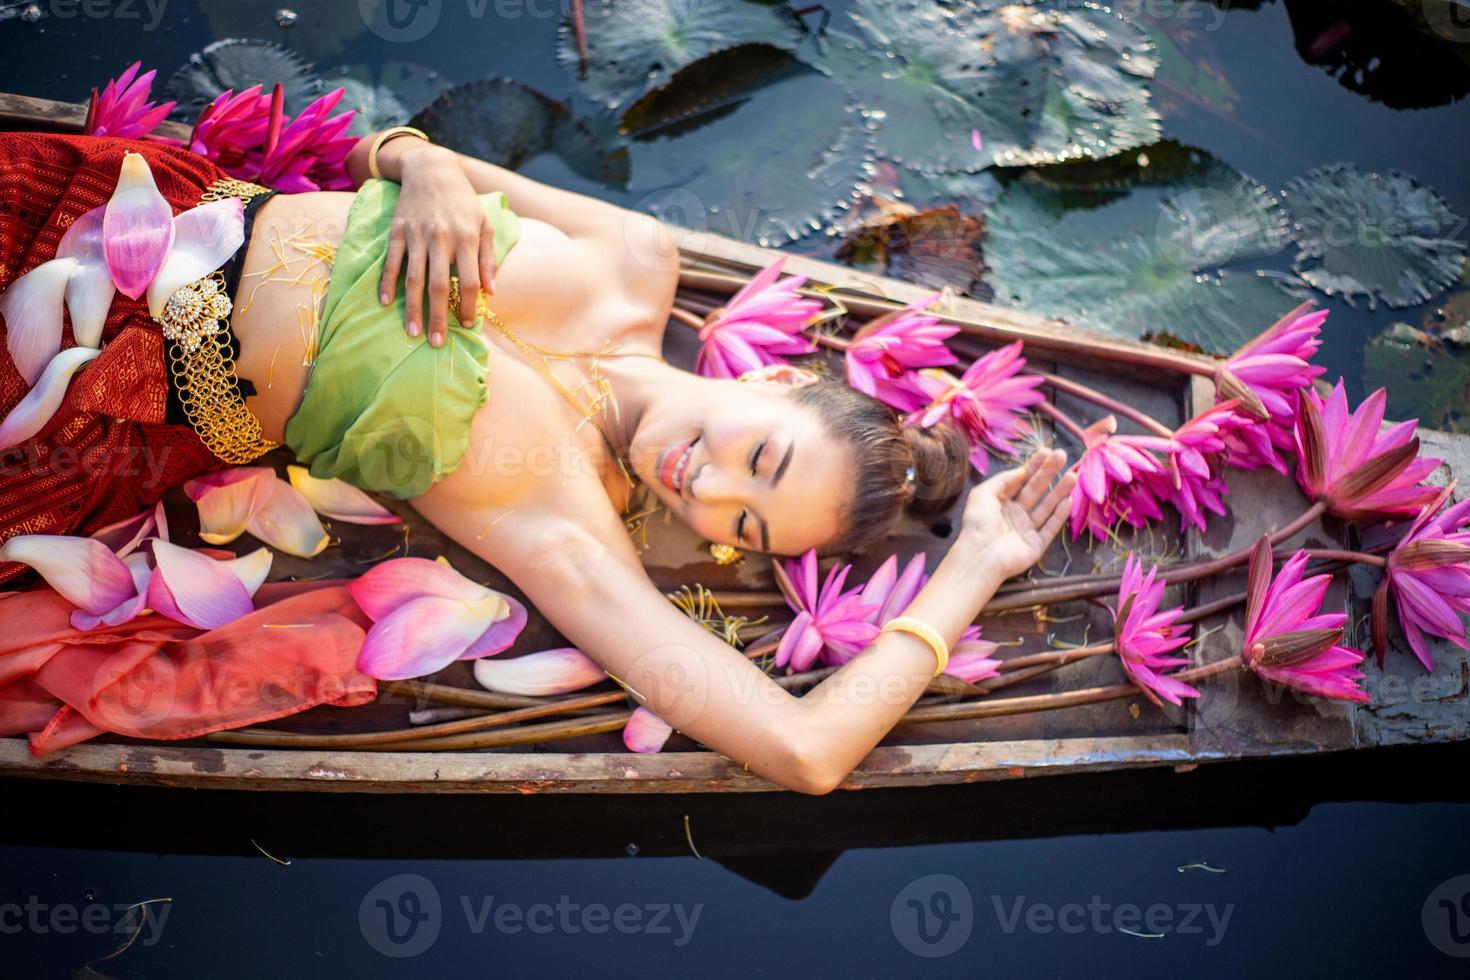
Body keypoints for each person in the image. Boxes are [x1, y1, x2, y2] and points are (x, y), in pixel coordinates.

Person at [0, 128, 1076, 794]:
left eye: (742, 525)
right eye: (762, 456)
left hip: (80, 397)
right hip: (113, 210)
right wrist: (423, 169)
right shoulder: (629, 261)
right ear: (778, 382)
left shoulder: (563, 531)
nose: (711, 485)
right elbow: (381, 145)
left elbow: (806, 752)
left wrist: (971, 566)